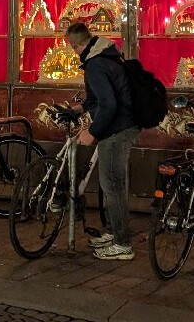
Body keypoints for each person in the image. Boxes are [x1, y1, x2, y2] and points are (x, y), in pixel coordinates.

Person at [66, 21, 138, 261]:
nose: (73, 52)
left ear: (77, 45)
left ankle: (122, 244)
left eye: (72, 48)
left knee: (112, 185)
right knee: (113, 184)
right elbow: (105, 95)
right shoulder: (107, 53)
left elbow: (108, 104)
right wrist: (82, 107)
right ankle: (114, 231)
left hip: (117, 129)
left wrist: (93, 132)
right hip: (125, 124)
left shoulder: (95, 64)